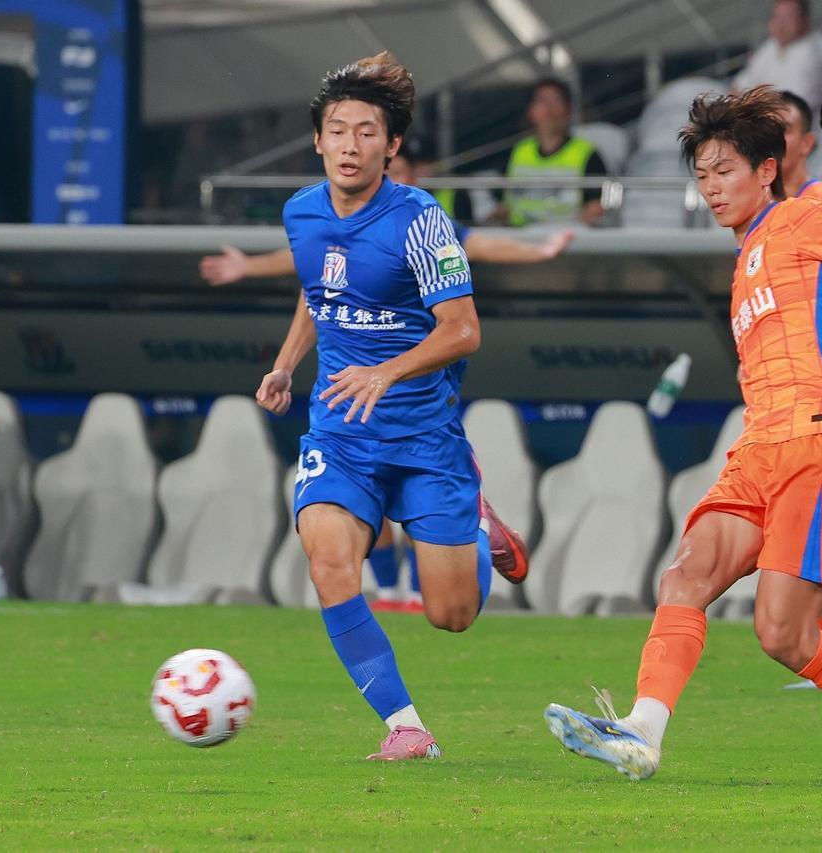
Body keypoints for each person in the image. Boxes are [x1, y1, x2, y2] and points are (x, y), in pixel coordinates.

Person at [544, 86, 822, 782]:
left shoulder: (803, 217)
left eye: (724, 171)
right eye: (702, 175)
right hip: (759, 445)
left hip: (816, 440)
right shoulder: (747, 258)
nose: (711, 188)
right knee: (685, 577)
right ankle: (642, 733)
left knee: (783, 635)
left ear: (767, 170)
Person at [254, 51, 529, 762]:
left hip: (424, 437)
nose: (350, 144)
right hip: (341, 433)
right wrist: (286, 364)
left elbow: (463, 330)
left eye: (367, 132)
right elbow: (321, 292)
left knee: (452, 615)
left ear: (392, 145)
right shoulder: (300, 212)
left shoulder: (423, 221)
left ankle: (475, 518)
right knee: (328, 562)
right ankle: (406, 725)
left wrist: (387, 371)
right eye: (338, 130)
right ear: (318, 141)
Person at [200, 148, 574, 287]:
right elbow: (306, 257)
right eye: (391, 174)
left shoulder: (427, 222)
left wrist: (539, 252)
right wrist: (247, 266)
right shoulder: (352, 220)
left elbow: (480, 246)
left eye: (404, 174)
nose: (399, 182)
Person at [489, 78, 607, 227]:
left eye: (556, 100)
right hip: (518, 235)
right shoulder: (518, 151)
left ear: (569, 110)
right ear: (530, 111)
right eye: (541, 101)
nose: (549, 109)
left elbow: (601, 203)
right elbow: (504, 203)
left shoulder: (587, 153)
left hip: (566, 237)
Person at [733, 0, 822, 111]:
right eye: (777, 17)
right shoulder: (771, 46)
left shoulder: (813, 52)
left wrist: (751, 99)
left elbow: (789, 107)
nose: (780, 24)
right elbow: (738, 87)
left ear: (804, 20)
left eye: (788, 18)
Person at [777, 90, 822, 201]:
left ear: (807, 143)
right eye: (766, 129)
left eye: (783, 129)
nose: (771, 138)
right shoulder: (748, 203)